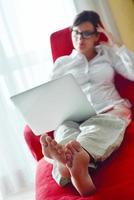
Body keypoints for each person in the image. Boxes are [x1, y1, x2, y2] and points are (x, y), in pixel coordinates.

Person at [40, 10, 134, 196]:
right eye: (76, 32)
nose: (80, 38)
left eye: (86, 33)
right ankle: (68, 163)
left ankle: (71, 161)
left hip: (108, 109)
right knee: (65, 129)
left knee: (105, 123)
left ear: (97, 35)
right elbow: (50, 95)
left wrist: (116, 45)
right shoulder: (62, 63)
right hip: (73, 115)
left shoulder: (108, 54)